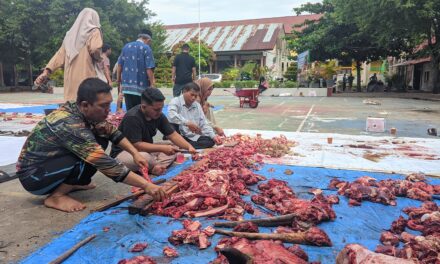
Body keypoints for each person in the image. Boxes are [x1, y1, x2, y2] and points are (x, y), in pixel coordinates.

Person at [16, 78, 166, 213]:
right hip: (34, 177)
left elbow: (112, 131)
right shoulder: (70, 124)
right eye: (104, 106)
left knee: (100, 138)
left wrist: (135, 153)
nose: (108, 110)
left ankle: (71, 184)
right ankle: (56, 196)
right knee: (92, 155)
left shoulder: (84, 112)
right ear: (85, 105)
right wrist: (146, 185)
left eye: (109, 104)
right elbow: (105, 163)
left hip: (49, 166)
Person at [110, 88, 196, 175]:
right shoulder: (132, 117)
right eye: (156, 109)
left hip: (145, 149)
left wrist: (189, 147)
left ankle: (155, 166)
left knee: (174, 146)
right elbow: (137, 145)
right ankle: (155, 165)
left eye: (161, 108)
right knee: (146, 157)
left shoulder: (159, 115)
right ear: (143, 106)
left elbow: (173, 135)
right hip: (125, 152)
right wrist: (162, 148)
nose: (160, 112)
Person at [34, 8, 104, 102]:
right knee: (87, 105)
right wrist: (99, 58)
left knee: (72, 105)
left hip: (70, 81)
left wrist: (46, 72)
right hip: (87, 78)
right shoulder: (94, 31)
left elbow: (59, 56)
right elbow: (95, 49)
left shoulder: (69, 36)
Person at [168, 82, 223, 149]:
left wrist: (214, 136)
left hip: (191, 136)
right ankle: (180, 143)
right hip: (178, 134)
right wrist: (187, 123)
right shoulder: (175, 101)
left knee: (211, 141)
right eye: (192, 95)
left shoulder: (197, 105)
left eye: (196, 96)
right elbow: (171, 115)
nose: (193, 98)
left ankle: (182, 145)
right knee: (171, 125)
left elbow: (204, 123)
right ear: (184, 91)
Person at [117, 29, 155, 111]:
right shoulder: (146, 48)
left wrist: (118, 81)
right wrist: (152, 84)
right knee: (141, 112)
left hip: (127, 87)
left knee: (130, 111)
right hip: (141, 88)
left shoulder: (126, 47)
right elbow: (149, 68)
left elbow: (119, 65)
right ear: (148, 40)